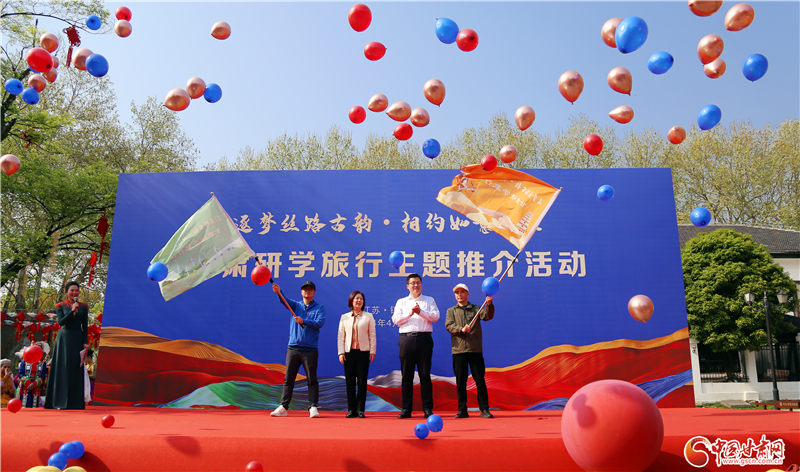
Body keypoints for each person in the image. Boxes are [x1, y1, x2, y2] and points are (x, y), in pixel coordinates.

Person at [270, 280, 326, 418]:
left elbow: (319, 323)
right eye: (305, 289)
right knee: (288, 379)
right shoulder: (295, 305)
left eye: (310, 289)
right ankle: (283, 407)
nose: (307, 291)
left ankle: (313, 407)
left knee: (311, 379)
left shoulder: (319, 308)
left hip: (310, 349)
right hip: (293, 348)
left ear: (314, 292)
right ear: (301, 292)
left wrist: (304, 321)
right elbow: (284, 300)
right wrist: (279, 292)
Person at [391, 273, 440, 419]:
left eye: (418, 282)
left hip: (424, 339)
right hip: (406, 340)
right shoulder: (401, 302)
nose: (415, 285)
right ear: (407, 286)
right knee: (407, 375)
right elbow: (395, 320)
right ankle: (406, 408)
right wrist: (410, 313)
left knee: (425, 375)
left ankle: (427, 408)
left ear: (421, 285)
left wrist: (421, 312)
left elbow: (436, 317)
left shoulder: (429, 300)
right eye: (412, 283)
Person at [445, 283, 495, 419]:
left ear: (467, 293)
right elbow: (449, 325)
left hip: (475, 350)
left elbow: (487, 316)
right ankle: (462, 410)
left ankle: (484, 409)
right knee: (461, 382)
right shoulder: (451, 311)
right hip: (458, 351)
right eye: (457, 293)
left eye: (462, 292)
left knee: (480, 381)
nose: (459, 295)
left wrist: (489, 304)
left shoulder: (477, 309)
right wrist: (461, 329)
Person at [45, 281, 89, 410]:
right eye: (72, 290)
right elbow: (61, 322)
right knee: (63, 367)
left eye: (77, 290)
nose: (75, 292)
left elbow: (85, 325)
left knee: (76, 367)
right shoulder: (60, 306)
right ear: (66, 292)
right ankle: (59, 401)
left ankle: (75, 403)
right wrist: (72, 311)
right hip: (64, 338)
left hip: (77, 337)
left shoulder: (84, 306)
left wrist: (85, 342)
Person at [337, 290, 376, 418]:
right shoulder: (344, 317)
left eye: (361, 299)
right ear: (351, 301)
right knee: (350, 382)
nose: (359, 301)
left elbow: (372, 335)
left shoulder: (368, 316)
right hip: (349, 353)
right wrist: (341, 353)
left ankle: (360, 410)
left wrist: (372, 351)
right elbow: (341, 336)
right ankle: (351, 410)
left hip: (363, 353)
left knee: (362, 381)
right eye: (356, 298)